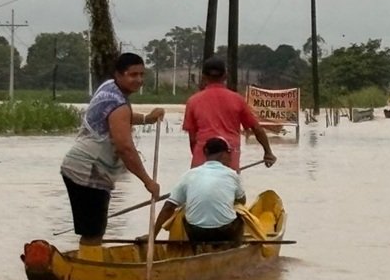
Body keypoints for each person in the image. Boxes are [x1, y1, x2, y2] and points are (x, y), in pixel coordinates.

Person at [60, 52, 165, 259]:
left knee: (93, 229)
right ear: (118, 75)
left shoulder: (109, 89)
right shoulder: (118, 102)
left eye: (142, 75)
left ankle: (88, 262)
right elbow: (125, 147)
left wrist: (146, 118)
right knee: (93, 231)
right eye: (132, 75)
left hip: (79, 167)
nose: (139, 80)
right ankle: (90, 274)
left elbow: (120, 117)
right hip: (89, 171)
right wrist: (147, 181)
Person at [183, 55, 276, 172]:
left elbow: (192, 139)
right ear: (225, 76)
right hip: (229, 160)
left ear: (204, 77)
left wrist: (199, 158)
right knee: (231, 188)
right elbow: (256, 128)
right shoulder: (237, 100)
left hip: (201, 161)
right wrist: (268, 152)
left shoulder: (193, 101)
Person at [151, 137, 246, 243]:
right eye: (229, 153)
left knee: (182, 212)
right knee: (241, 215)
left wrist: (152, 236)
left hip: (195, 232)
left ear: (206, 153)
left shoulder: (189, 175)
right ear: (223, 154)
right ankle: (234, 249)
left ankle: (195, 249)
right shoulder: (232, 175)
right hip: (225, 231)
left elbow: (168, 207)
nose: (230, 157)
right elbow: (242, 201)